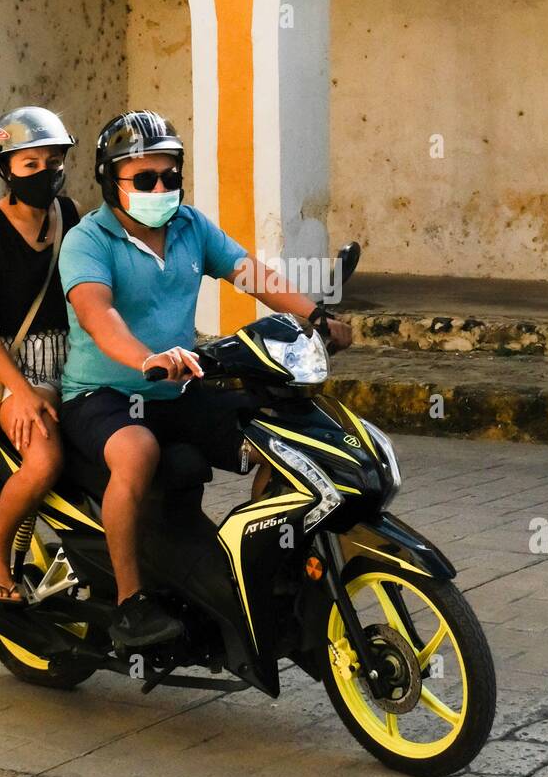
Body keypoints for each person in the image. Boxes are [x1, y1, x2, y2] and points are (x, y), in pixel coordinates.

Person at [58, 109, 352, 648]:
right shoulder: (88, 241)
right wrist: (146, 356)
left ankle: (263, 571)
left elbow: (250, 273)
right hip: (105, 392)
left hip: (179, 385)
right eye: (144, 179)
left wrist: (314, 318)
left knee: (280, 444)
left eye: (170, 176)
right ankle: (131, 602)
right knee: (137, 452)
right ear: (109, 183)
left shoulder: (190, 226)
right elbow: (99, 316)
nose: (160, 187)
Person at [0, 107, 81, 600]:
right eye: (31, 164)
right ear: (6, 169)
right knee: (46, 459)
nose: (45, 172)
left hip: (75, 361)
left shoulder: (70, 215)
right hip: (14, 367)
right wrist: (22, 390)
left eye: (53, 161)